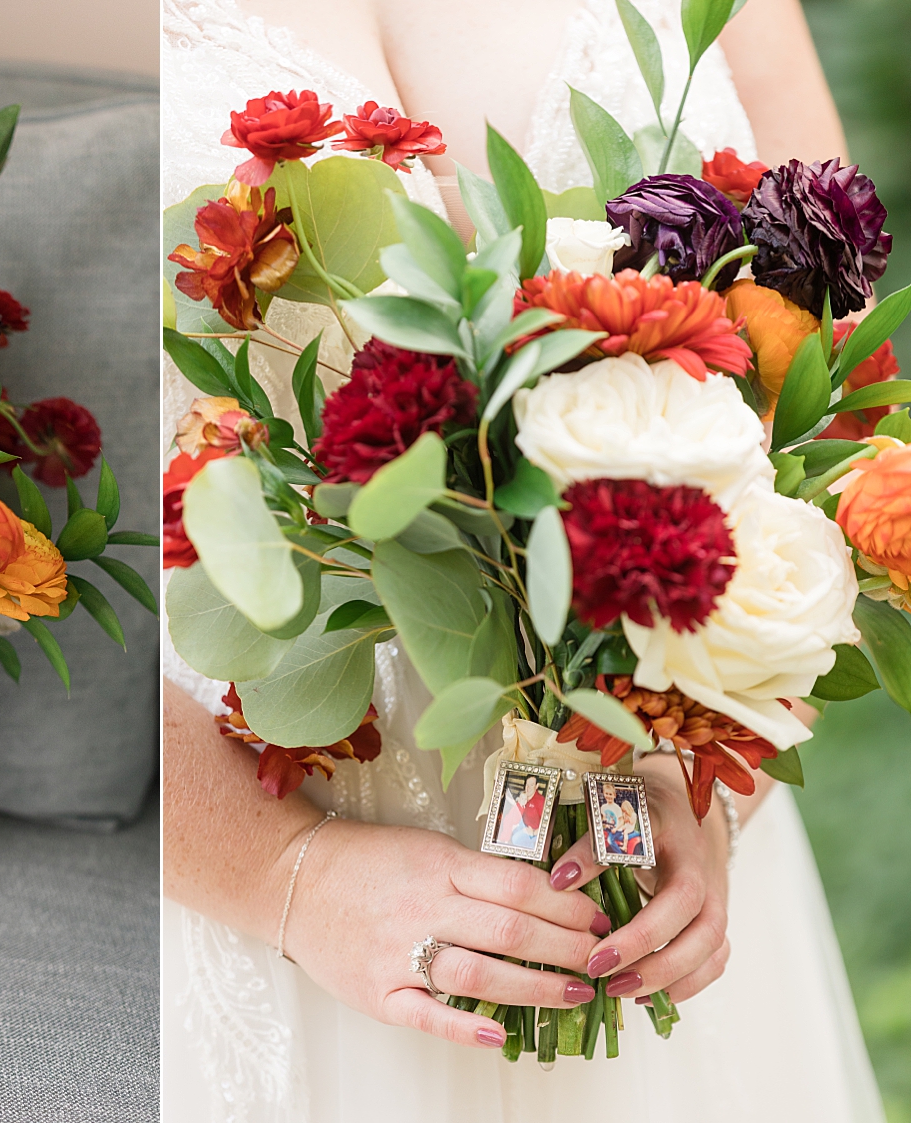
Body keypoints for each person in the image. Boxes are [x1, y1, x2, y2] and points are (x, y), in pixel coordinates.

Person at [161, 1, 884, 1120]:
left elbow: (826, 430)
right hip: (270, 896)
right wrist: (281, 872)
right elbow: (36, 538)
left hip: (644, 869)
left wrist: (702, 771)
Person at [497, 775, 545, 850]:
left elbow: (546, 823)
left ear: (537, 786)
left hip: (533, 831)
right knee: (507, 822)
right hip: (521, 826)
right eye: (527, 784)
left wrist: (534, 832)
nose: (528, 788)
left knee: (515, 839)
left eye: (531, 785)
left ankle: (535, 848)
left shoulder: (541, 801)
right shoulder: (523, 796)